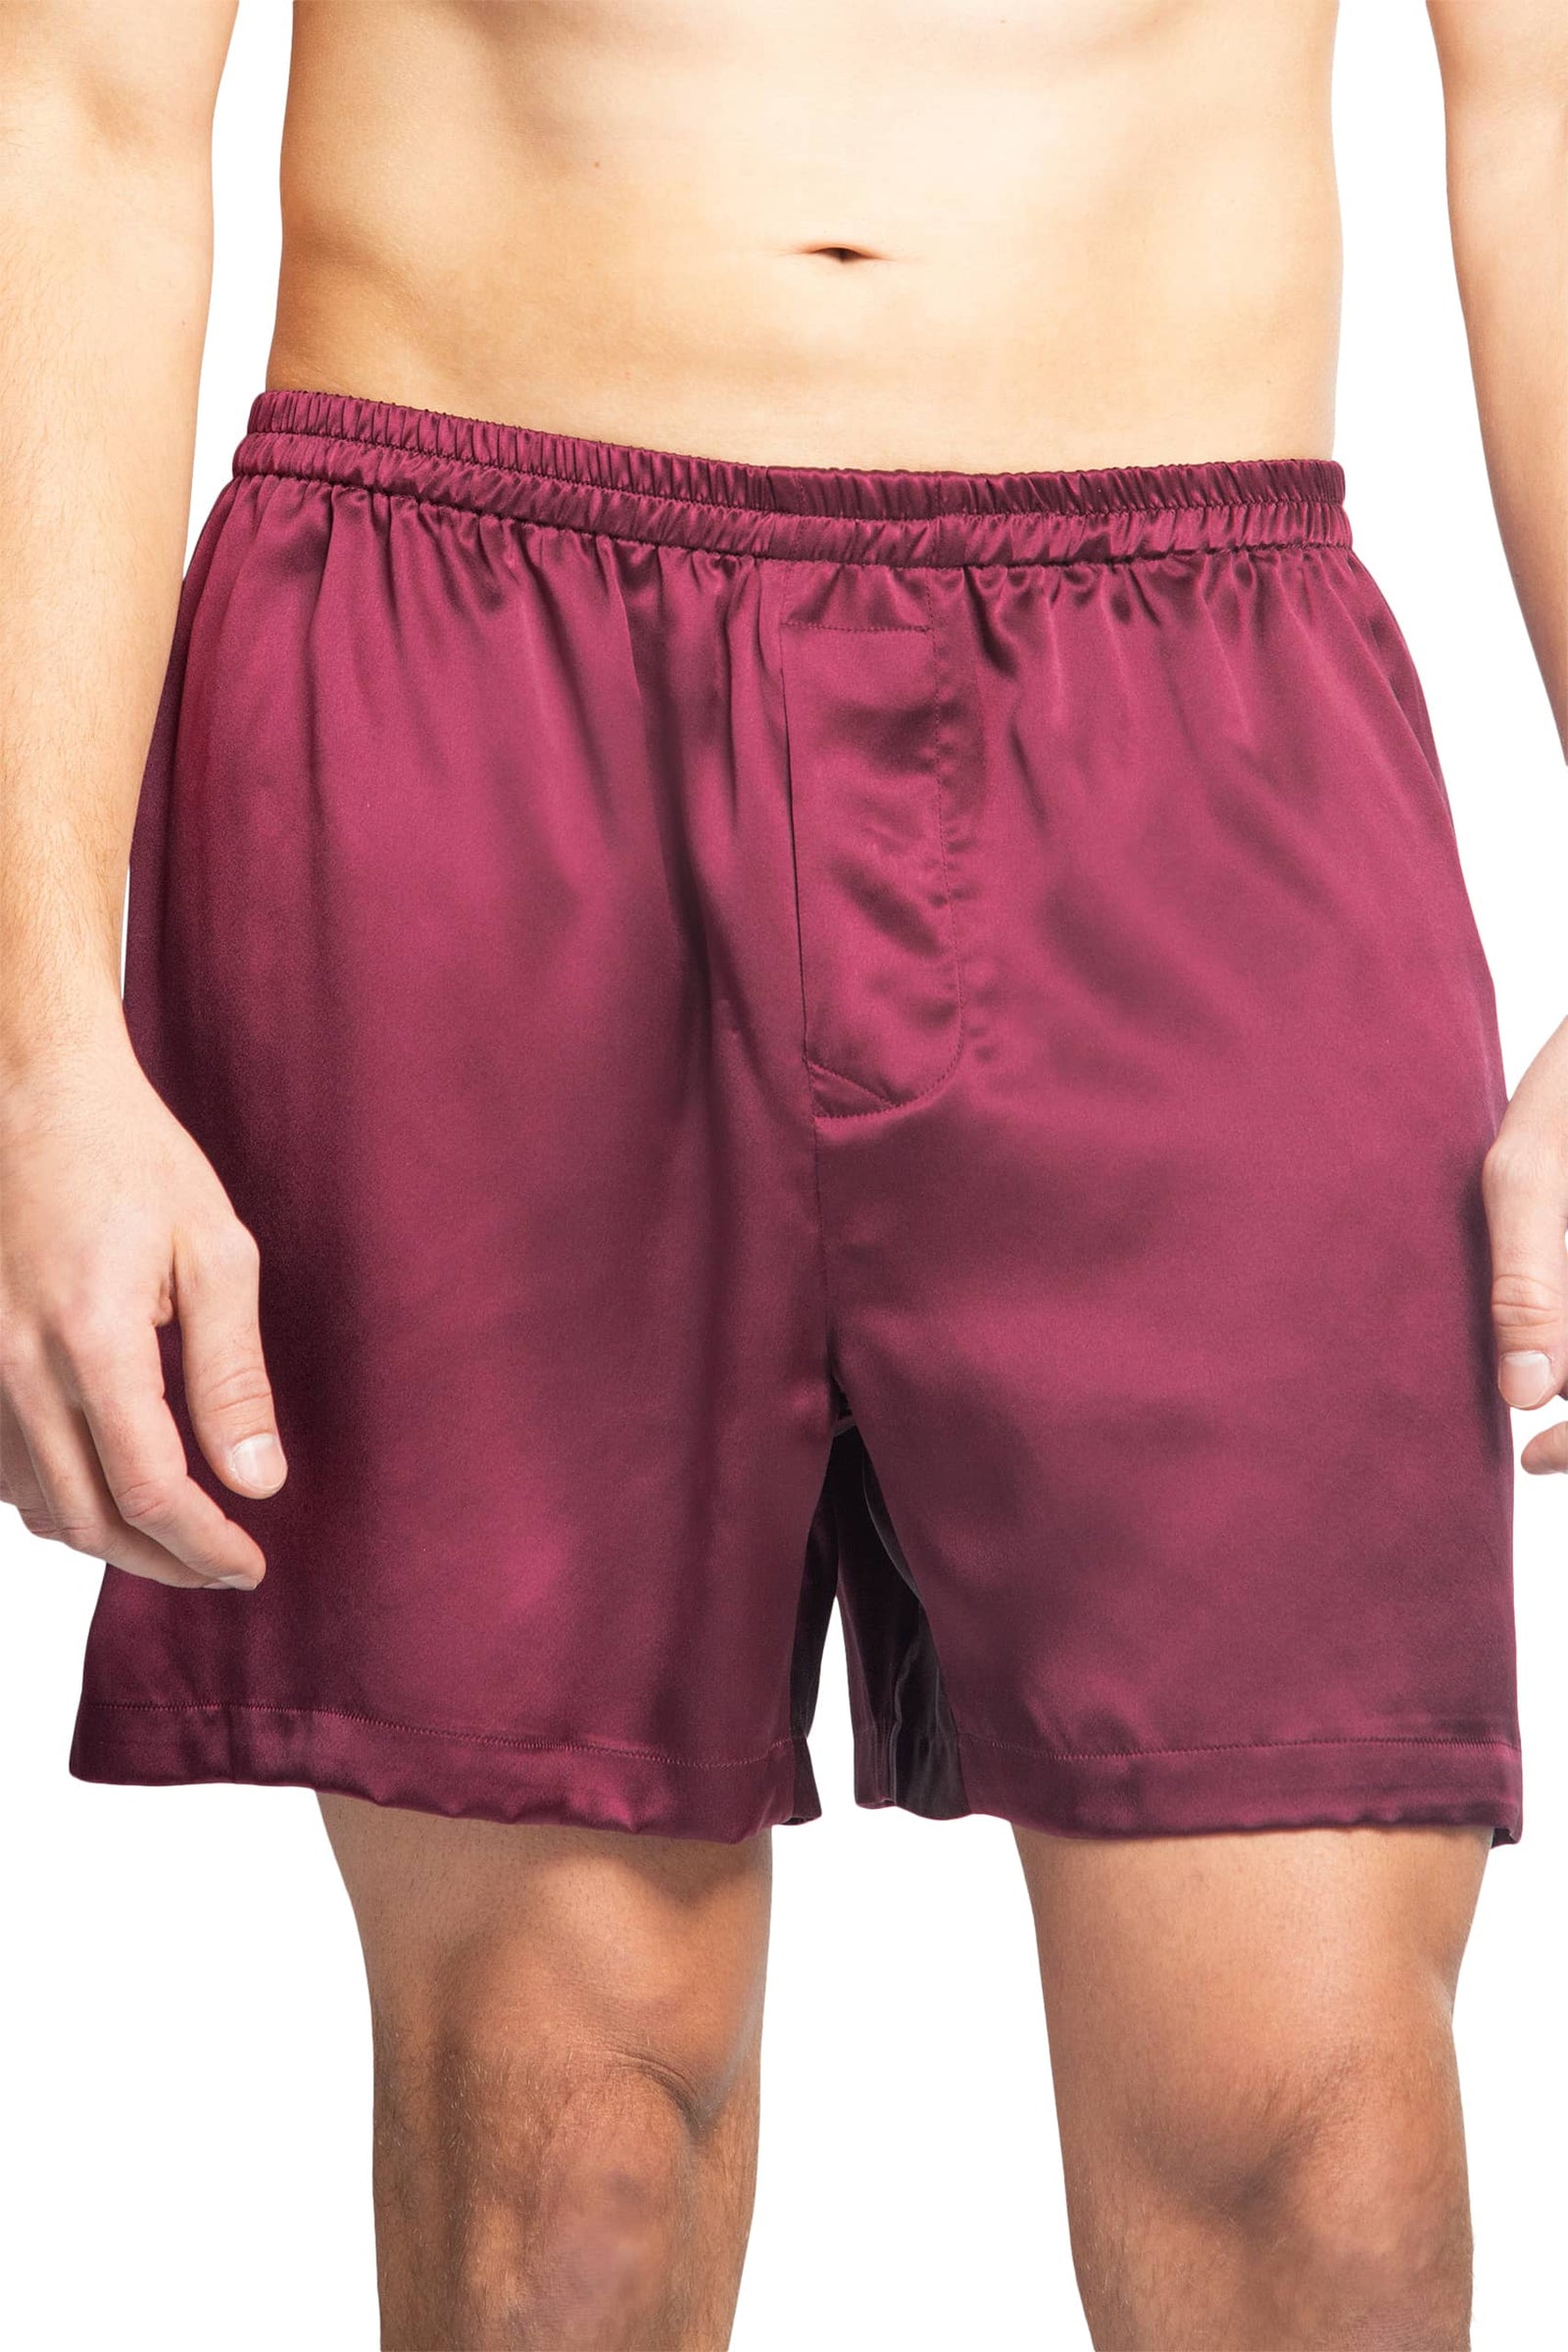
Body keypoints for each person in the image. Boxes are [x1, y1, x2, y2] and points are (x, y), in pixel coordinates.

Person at [1, 1, 1563, 2344]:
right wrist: (33, 1034)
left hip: (1194, 698)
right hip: (467, 666)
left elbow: (1547, 114)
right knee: (561, 2166)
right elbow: (74, 112)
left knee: (1324, 2174)